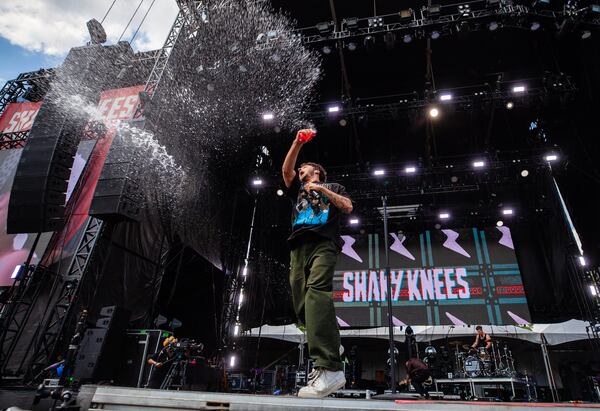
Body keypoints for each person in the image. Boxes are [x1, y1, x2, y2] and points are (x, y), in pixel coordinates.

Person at [282, 129, 353, 398]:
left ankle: (329, 368)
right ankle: (332, 341)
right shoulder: (297, 189)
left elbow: (347, 207)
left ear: (318, 172)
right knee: (301, 305)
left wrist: (321, 189)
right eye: (300, 171)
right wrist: (298, 143)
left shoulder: (332, 187)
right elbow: (287, 170)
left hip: (324, 243)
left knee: (316, 294)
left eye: (305, 169)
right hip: (298, 246)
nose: (300, 172)